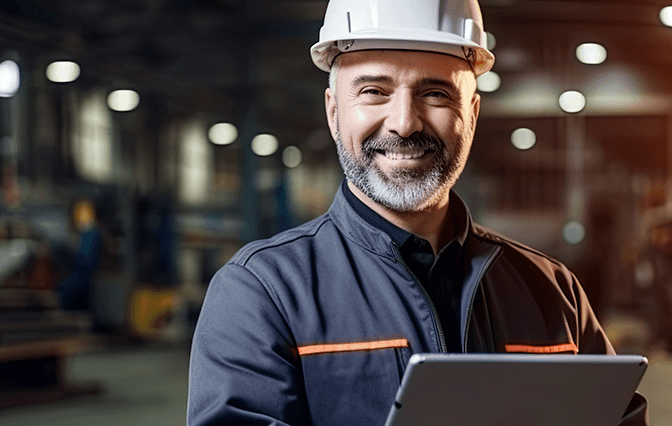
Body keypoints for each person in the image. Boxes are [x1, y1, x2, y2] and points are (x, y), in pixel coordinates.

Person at [187, 0, 648, 424]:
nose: (405, 123)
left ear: (472, 112)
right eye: (373, 91)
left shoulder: (552, 290)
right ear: (333, 113)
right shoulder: (263, 293)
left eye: (435, 94)